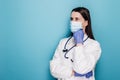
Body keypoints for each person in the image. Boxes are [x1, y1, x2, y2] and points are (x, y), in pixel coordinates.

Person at [50, 7, 101, 80]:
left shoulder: (94, 45)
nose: (73, 22)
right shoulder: (63, 42)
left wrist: (79, 44)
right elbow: (53, 68)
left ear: (86, 23)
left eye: (77, 19)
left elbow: (81, 68)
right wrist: (73, 73)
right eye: (71, 19)